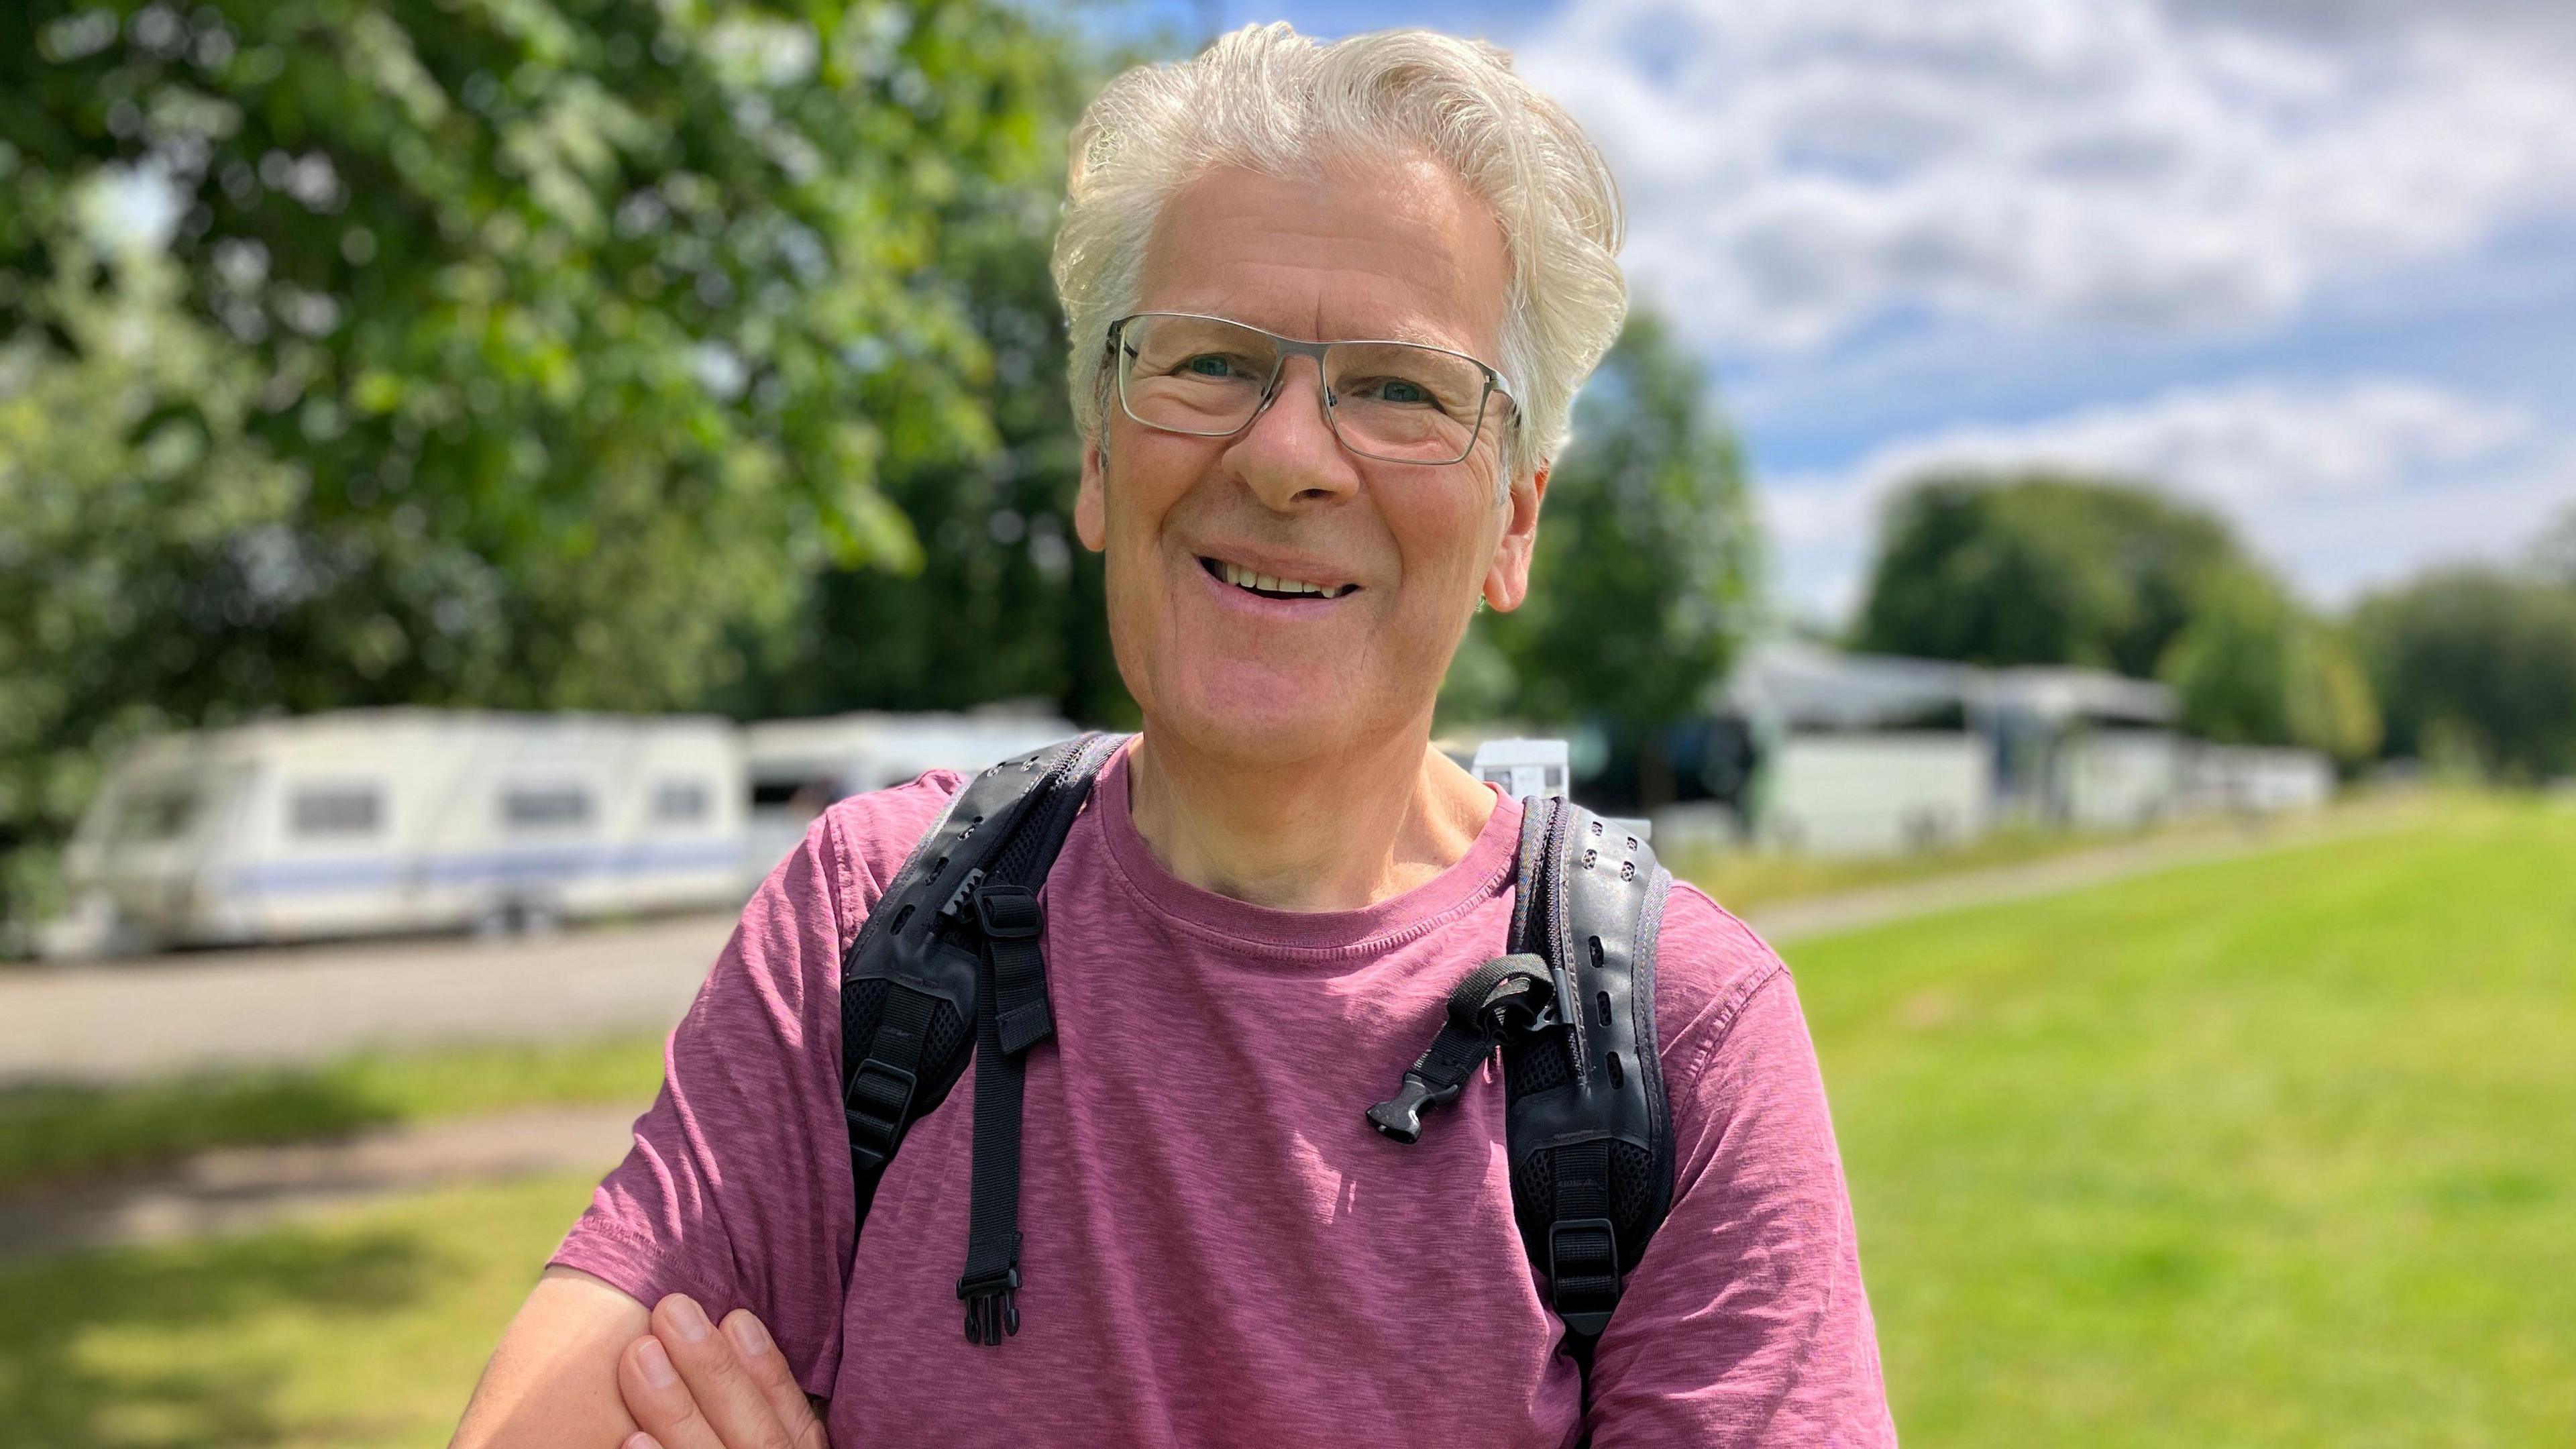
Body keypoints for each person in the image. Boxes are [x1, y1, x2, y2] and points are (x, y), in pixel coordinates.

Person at [450, 23, 1894, 1448]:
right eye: (1208, 364)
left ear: (1515, 519)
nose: (1283, 457)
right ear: (1096, 458)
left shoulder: (1679, 1039)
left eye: (1399, 389)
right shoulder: (870, 922)